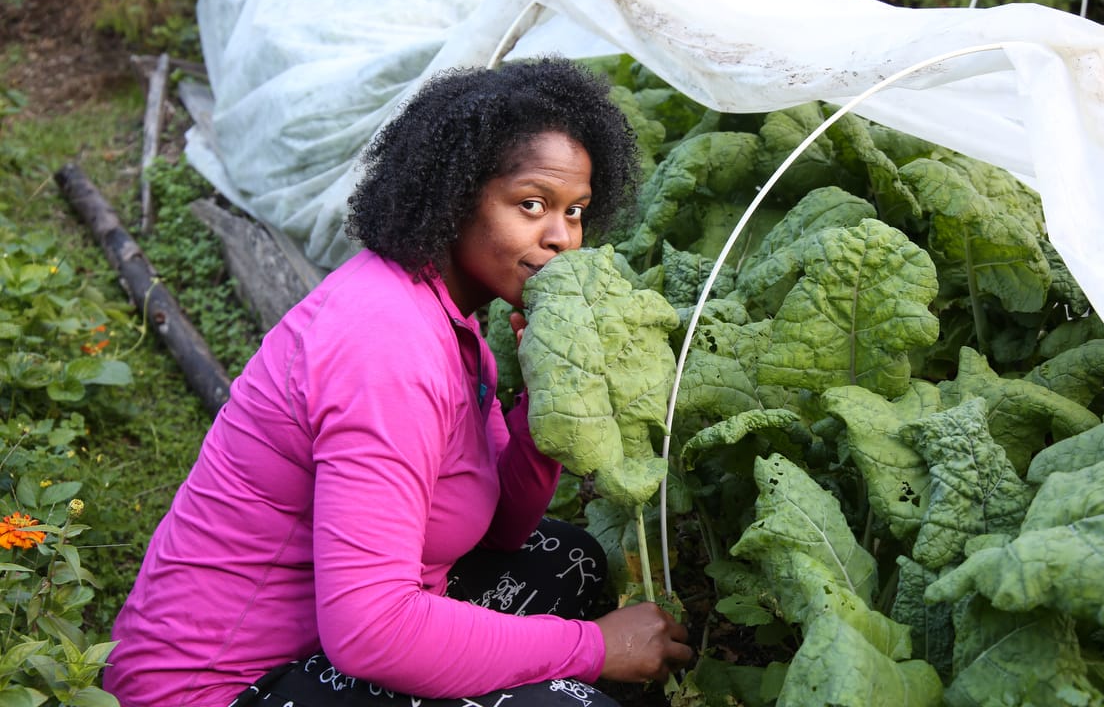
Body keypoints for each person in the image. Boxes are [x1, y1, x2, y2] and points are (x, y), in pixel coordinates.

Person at [105, 57, 693, 706]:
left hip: (328, 642)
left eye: (576, 211)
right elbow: (371, 631)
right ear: (453, 192)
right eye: (531, 204)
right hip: (221, 688)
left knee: (570, 561)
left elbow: (497, 529)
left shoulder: (449, 323)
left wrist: (547, 394)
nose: (561, 238)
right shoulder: (385, 341)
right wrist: (594, 650)